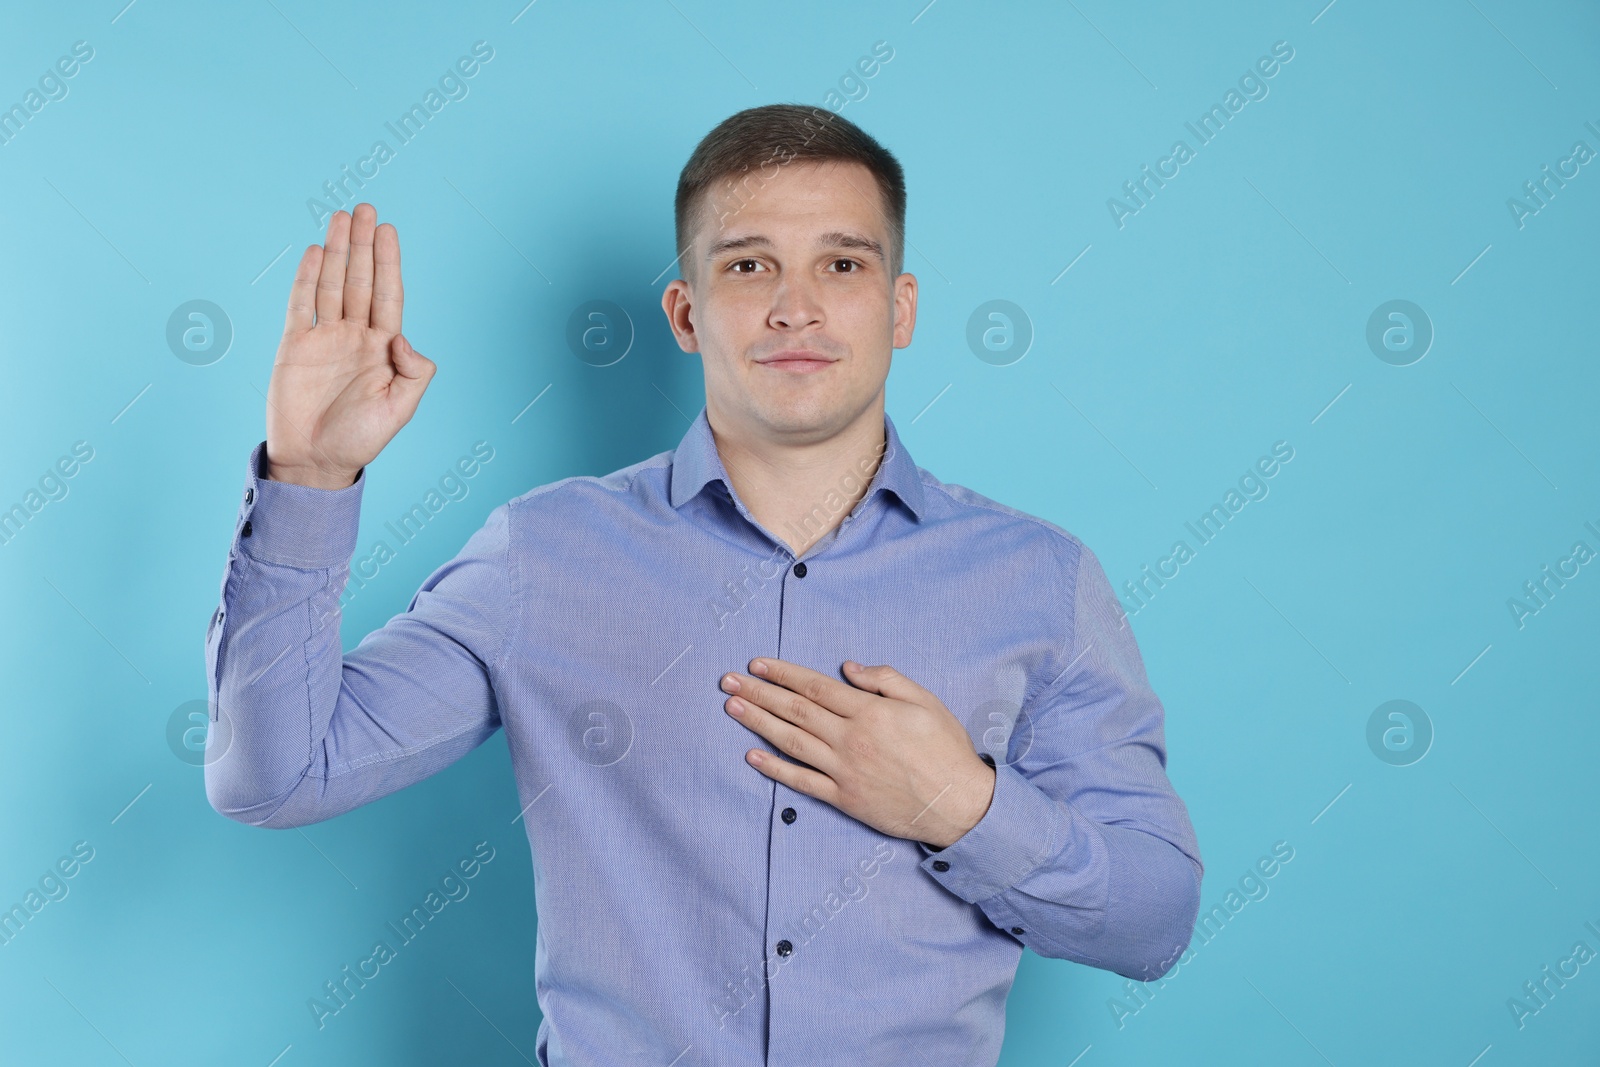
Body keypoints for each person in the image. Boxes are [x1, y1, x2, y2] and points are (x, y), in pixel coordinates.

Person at [204, 103, 1203, 1066]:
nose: (794, 304)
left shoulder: (1036, 578)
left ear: (899, 307)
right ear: (685, 311)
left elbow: (1153, 918)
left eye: (842, 263)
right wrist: (309, 478)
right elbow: (275, 776)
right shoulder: (542, 553)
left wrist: (957, 801)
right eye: (747, 263)